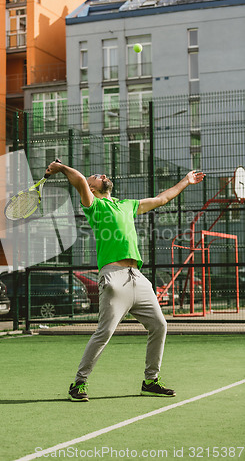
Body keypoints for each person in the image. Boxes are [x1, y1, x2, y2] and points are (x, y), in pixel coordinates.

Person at [46, 161, 205, 402]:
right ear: (92, 187)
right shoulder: (94, 205)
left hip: (138, 278)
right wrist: (60, 167)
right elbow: (78, 179)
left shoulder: (126, 205)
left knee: (160, 326)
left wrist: (186, 181)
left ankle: (150, 381)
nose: (104, 175)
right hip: (113, 277)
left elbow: (162, 199)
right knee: (105, 332)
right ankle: (79, 383)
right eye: (98, 175)